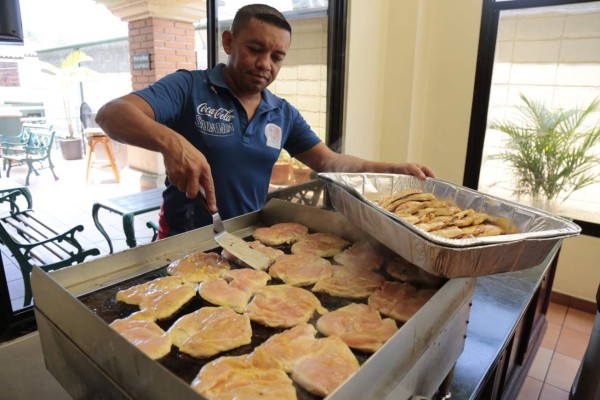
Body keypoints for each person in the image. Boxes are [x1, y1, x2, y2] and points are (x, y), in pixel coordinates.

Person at [95, 3, 436, 239]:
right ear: (229, 41)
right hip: (184, 238)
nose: (265, 64)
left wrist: (392, 170)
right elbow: (112, 114)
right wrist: (172, 142)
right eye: (255, 49)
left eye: (277, 57)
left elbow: (329, 161)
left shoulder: (282, 112)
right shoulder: (189, 87)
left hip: (246, 235)